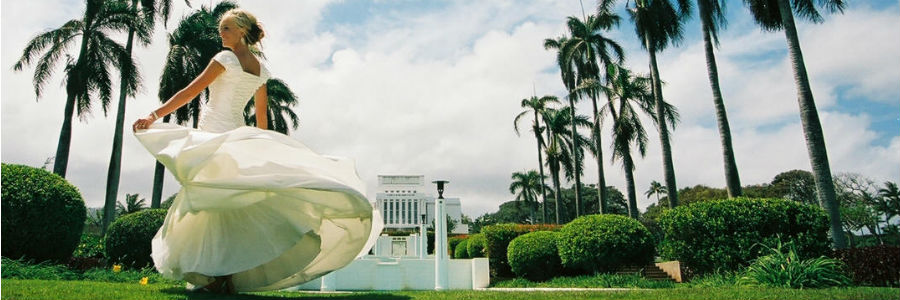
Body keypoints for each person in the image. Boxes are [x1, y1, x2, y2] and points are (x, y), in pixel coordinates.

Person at [132, 9, 382, 294]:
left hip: (215, 133)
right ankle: (221, 276)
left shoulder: (224, 59)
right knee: (226, 207)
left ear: (241, 31)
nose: (221, 33)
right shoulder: (261, 70)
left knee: (214, 205)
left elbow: (191, 91)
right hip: (237, 136)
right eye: (221, 28)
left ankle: (216, 276)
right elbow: (261, 118)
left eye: (226, 28)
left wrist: (153, 115)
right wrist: (262, 146)